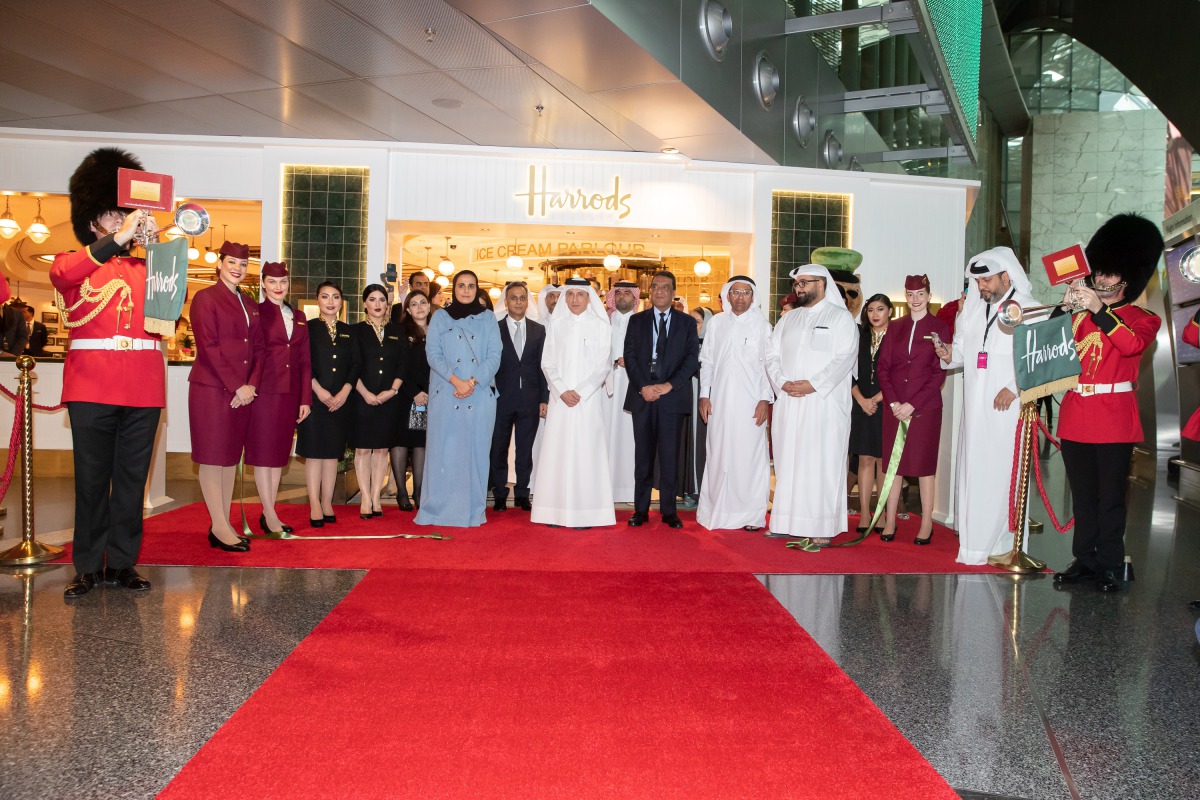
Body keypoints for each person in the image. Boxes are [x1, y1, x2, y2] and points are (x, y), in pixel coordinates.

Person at [52, 147, 166, 596]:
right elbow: (64, 275)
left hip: (142, 385)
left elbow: (171, 301)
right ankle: (87, 565)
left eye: (125, 214)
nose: (122, 220)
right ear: (92, 221)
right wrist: (118, 240)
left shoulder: (146, 267)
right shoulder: (73, 262)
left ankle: (121, 563)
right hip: (92, 385)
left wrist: (156, 247)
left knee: (132, 483)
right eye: (112, 214)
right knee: (91, 480)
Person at [1052, 214, 1163, 593]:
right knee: (1083, 498)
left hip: (1114, 417)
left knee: (1111, 498)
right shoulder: (1079, 316)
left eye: (1110, 273)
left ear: (1127, 278)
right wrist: (1063, 308)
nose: (1100, 278)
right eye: (1098, 271)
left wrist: (1098, 311)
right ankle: (1085, 560)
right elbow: (1049, 347)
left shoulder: (1143, 318)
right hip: (1076, 414)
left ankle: (1110, 564)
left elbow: (1130, 345)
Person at [934, 246, 1035, 565]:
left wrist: (1015, 387)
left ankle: (1003, 544)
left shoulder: (1029, 308)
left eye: (987, 280)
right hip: (975, 409)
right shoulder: (973, 309)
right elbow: (961, 350)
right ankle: (975, 545)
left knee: (1002, 474)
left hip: (1008, 409)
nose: (981, 287)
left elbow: (1036, 356)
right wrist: (948, 354)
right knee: (975, 472)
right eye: (977, 282)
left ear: (1006, 276)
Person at [766, 265, 859, 544]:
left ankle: (821, 527)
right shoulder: (788, 319)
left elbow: (845, 358)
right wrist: (782, 382)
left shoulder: (841, 318)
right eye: (797, 284)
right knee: (788, 461)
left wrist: (813, 384)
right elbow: (770, 355)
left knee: (821, 462)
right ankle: (785, 521)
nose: (799, 288)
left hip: (823, 404)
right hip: (789, 401)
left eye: (805, 282)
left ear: (822, 283)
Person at [188, 240, 261, 553]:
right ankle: (219, 525)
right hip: (212, 389)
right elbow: (208, 346)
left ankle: (224, 523)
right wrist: (237, 386)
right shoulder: (205, 298)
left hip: (243, 393)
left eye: (243, 264)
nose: (237, 268)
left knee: (230, 457)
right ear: (219, 264)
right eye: (231, 262)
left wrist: (251, 385)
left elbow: (259, 349)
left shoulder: (250, 303)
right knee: (212, 456)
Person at [416, 270, 502, 528]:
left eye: (471, 286)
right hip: (447, 392)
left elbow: (494, 356)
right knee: (443, 453)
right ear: (454, 289)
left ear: (477, 289)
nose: (466, 290)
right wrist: (457, 381)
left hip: (479, 394)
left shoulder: (488, 318)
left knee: (475, 453)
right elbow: (433, 354)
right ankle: (437, 510)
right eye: (461, 285)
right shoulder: (440, 317)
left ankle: (472, 511)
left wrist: (471, 382)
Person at [531, 279, 616, 527]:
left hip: (587, 401)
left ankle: (586, 513)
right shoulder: (556, 325)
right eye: (570, 294)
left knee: (586, 455)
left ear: (589, 298)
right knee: (557, 454)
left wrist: (580, 392)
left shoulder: (601, 325)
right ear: (565, 298)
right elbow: (547, 362)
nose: (575, 299)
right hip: (560, 401)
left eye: (580, 294)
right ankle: (554, 512)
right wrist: (561, 390)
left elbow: (604, 365)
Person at [877, 275, 951, 544]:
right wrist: (894, 403)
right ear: (905, 297)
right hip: (895, 408)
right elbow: (883, 368)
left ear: (928, 296)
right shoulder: (895, 327)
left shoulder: (939, 328)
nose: (915, 299)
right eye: (910, 294)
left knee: (924, 466)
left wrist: (912, 404)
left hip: (925, 409)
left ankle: (926, 523)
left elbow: (938, 373)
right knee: (893, 466)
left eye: (920, 294)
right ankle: (890, 520)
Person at [696, 276, 773, 531]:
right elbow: (707, 361)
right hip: (719, 402)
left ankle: (750, 515)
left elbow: (769, 366)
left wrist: (765, 399)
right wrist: (704, 395)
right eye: (735, 292)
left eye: (745, 292)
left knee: (748, 457)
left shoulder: (763, 326)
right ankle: (715, 511)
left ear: (753, 296)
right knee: (718, 454)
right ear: (727, 296)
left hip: (751, 403)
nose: (740, 297)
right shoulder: (717, 323)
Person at [623, 270, 699, 529]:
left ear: (673, 292)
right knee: (643, 457)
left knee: (669, 457)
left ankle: (669, 511)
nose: (659, 291)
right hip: (643, 396)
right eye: (655, 286)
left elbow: (691, 360)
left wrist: (669, 385)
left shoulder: (686, 323)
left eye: (665, 287)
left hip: (672, 398)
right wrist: (643, 386)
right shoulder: (636, 321)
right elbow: (630, 356)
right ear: (650, 291)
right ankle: (640, 510)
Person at [245, 261, 311, 535]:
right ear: (263, 284)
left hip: (290, 394)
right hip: (264, 392)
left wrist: (305, 399)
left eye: (282, 281)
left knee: (278, 457)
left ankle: (268, 512)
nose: (278, 287)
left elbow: (305, 361)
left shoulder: (299, 316)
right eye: (272, 281)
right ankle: (271, 515)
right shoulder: (255, 312)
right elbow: (250, 353)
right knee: (264, 454)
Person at [297, 281, 358, 527]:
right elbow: (303, 363)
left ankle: (326, 502)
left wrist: (345, 391)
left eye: (335, 297)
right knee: (314, 454)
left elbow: (355, 364)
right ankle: (314, 504)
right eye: (325, 296)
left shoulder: (348, 331)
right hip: (314, 400)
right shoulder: (307, 328)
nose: (330, 301)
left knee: (332, 455)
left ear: (341, 302)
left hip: (340, 402)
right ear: (317, 300)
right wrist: (318, 390)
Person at [490, 281, 547, 512]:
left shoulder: (539, 330)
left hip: (530, 400)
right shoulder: (494, 329)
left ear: (527, 301)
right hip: (500, 399)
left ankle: (522, 493)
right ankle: (500, 494)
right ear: (506, 302)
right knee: (498, 449)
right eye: (513, 298)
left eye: (522, 298)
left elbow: (543, 367)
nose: (518, 302)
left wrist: (544, 398)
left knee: (525, 450)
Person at [350, 284, 405, 520]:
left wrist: (392, 391)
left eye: (382, 300)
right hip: (362, 398)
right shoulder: (356, 331)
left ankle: (375, 496)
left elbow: (402, 364)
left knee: (382, 450)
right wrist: (365, 393)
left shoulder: (396, 331)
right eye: (372, 299)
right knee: (363, 449)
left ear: (387, 303)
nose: (377, 304)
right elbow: (352, 366)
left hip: (388, 400)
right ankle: (365, 497)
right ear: (365, 303)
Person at [849, 294, 892, 531]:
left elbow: (899, 376)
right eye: (871, 310)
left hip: (886, 404)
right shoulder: (859, 337)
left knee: (883, 461)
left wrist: (875, 400)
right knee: (864, 459)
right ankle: (865, 514)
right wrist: (862, 401)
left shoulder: (896, 337)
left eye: (880, 309)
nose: (875, 314)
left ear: (890, 312)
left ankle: (881, 514)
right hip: (861, 404)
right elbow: (847, 372)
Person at [390, 289, 432, 511]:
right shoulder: (400, 331)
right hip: (405, 395)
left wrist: (427, 392)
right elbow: (398, 366)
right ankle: (402, 492)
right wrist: (413, 392)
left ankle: (418, 491)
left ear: (429, 305)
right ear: (407, 309)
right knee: (401, 442)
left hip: (429, 395)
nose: (419, 307)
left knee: (420, 443)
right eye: (413, 304)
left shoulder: (438, 330)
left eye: (422, 302)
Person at [604, 280, 640, 503]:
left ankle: (628, 490)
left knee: (629, 437)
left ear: (635, 298)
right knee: (605, 433)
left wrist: (634, 362)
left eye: (628, 293)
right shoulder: (603, 320)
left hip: (631, 383)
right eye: (618, 293)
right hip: (605, 384)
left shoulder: (642, 321)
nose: (622, 297)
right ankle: (603, 488)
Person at [678, 307, 713, 507]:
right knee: (688, 442)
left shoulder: (712, 344)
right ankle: (690, 489)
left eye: (697, 322)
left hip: (706, 398)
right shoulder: (684, 343)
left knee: (704, 443)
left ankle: (705, 490)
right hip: (686, 397)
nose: (693, 326)